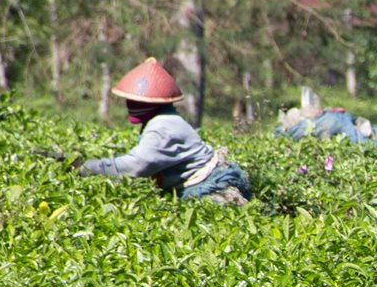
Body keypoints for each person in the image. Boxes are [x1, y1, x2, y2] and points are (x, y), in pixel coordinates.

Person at [78, 57, 253, 205]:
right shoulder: (161, 120)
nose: (130, 106)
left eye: (137, 102)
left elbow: (136, 165)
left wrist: (87, 167)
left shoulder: (163, 126)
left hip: (211, 189)